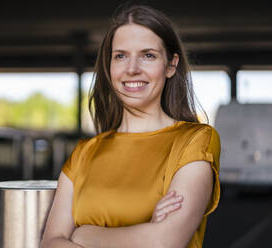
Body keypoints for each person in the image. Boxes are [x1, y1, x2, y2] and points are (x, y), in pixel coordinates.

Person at [41, 4, 220, 248]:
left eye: (148, 55)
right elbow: (50, 243)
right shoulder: (84, 153)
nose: (132, 69)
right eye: (121, 56)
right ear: (110, 66)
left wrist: (84, 235)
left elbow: (163, 242)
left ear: (171, 65)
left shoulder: (195, 141)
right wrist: (144, 232)